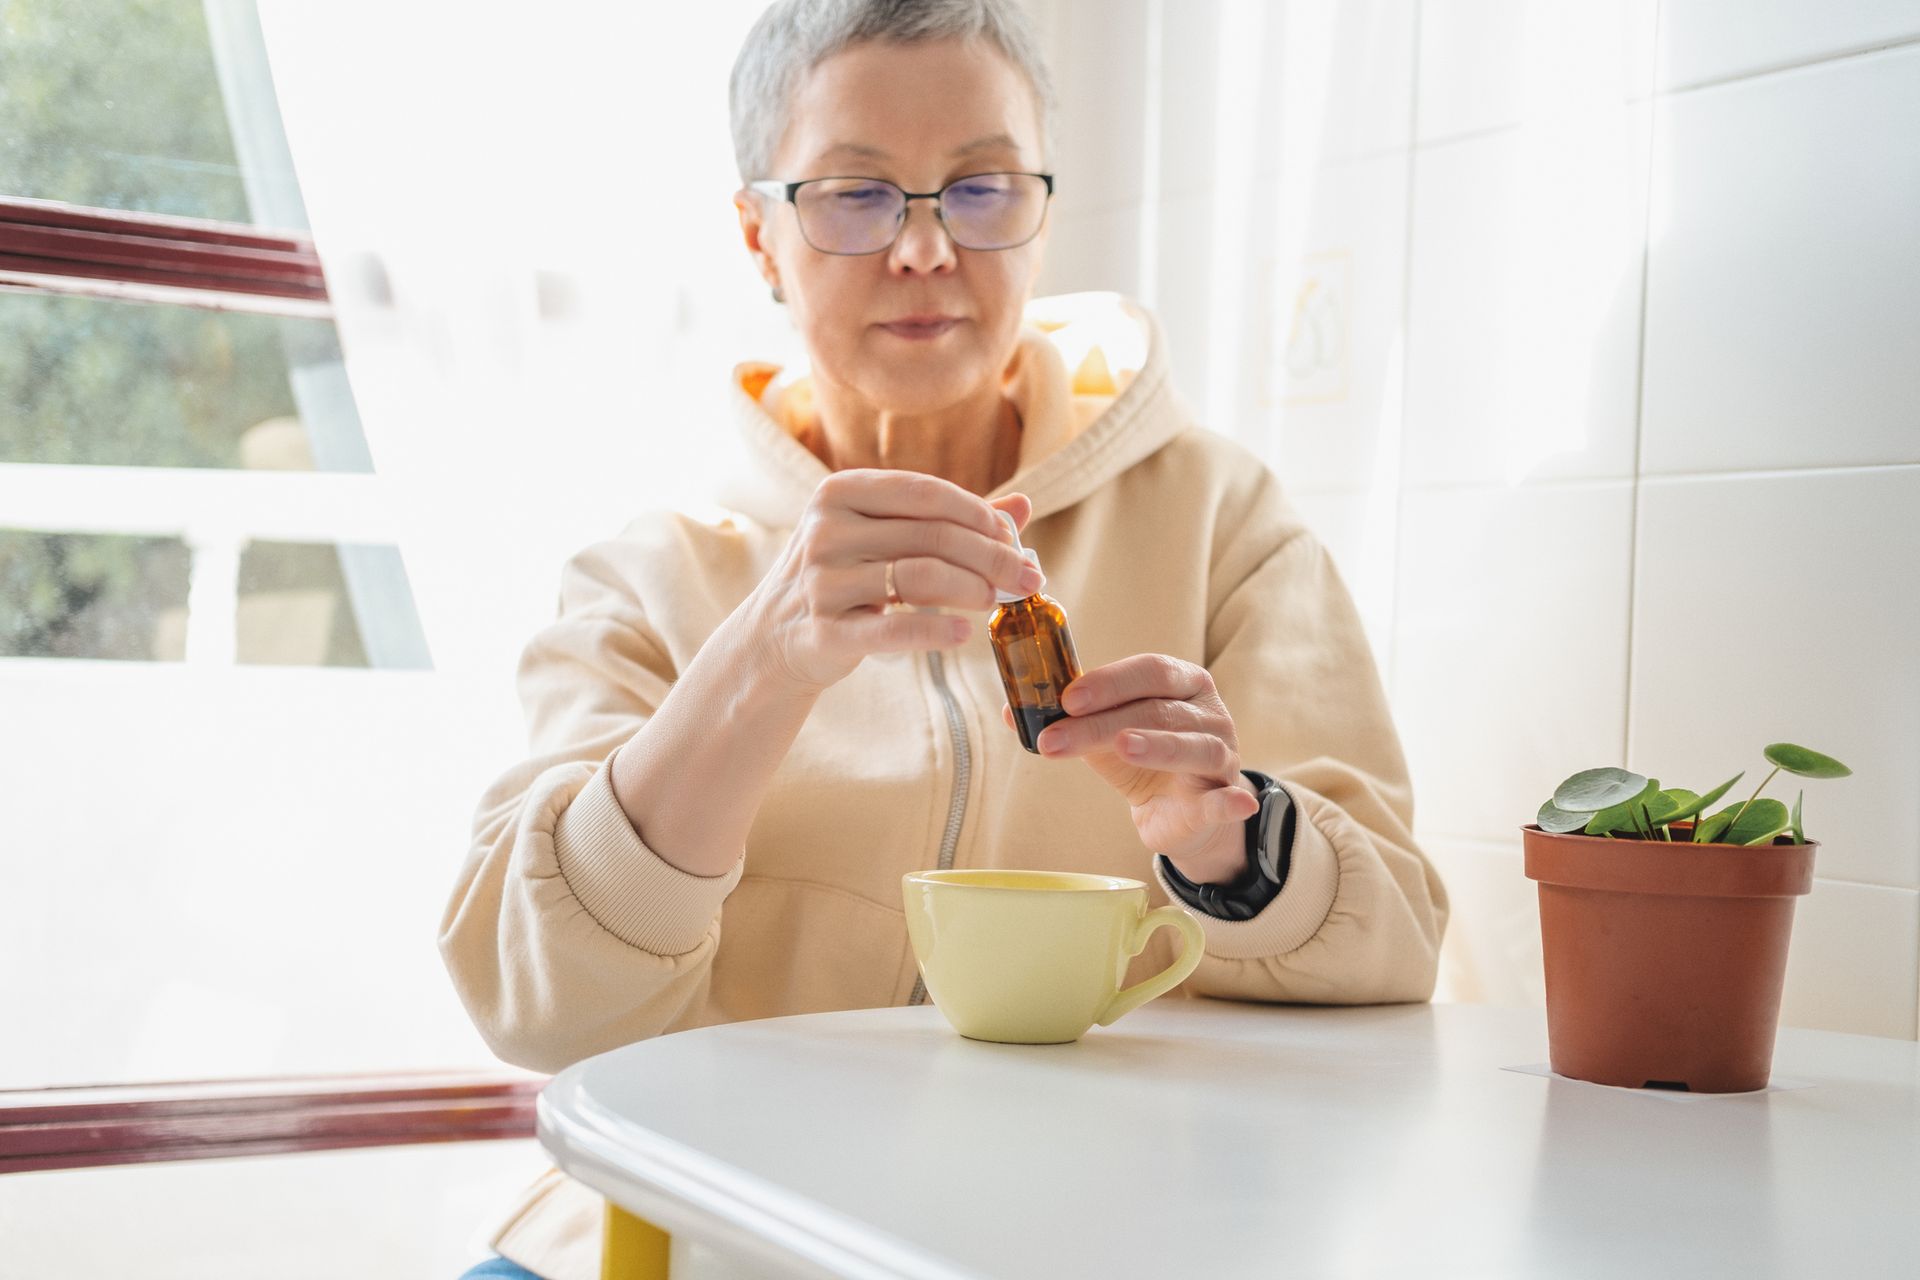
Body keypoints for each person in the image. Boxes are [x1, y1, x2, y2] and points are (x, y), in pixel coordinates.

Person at [442, 2, 1447, 1276]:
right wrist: (759, 663)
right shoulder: (646, 578)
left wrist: (1232, 847)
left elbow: (1400, 937)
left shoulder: (1219, 516)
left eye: (977, 188)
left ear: (1038, 208)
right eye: (857, 197)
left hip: (1087, 1229)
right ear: (760, 235)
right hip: (697, 1233)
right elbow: (539, 1005)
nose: (926, 250)